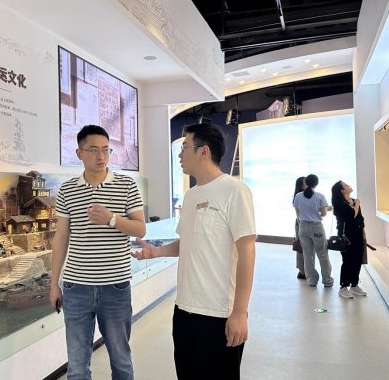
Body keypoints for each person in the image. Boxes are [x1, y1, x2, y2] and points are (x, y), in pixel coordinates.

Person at [131, 123, 256, 380]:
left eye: (185, 147)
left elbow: (247, 251)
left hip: (219, 314)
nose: (180, 154)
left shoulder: (234, 191)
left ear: (204, 151)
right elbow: (188, 242)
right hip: (184, 310)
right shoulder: (190, 196)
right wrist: (156, 252)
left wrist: (240, 313)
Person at [49, 125, 146, 380]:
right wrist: (54, 284)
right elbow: (61, 238)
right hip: (76, 287)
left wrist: (111, 219)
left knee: (121, 361)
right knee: (77, 366)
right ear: (79, 153)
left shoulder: (126, 185)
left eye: (106, 150)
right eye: (93, 150)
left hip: (115, 286)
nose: (101, 156)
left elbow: (140, 228)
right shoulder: (68, 190)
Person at [293, 174, 333, 287]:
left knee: (307, 255)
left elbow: (298, 213)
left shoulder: (298, 196)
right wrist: (324, 209)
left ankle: (311, 280)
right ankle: (327, 280)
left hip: (303, 227)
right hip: (316, 227)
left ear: (306, 182)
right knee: (322, 254)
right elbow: (323, 214)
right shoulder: (320, 196)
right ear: (316, 184)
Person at [331, 181, 367, 299]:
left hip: (358, 234)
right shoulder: (339, 204)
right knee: (348, 261)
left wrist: (363, 234)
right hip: (346, 237)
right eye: (345, 185)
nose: (348, 185)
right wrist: (357, 204)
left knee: (358, 260)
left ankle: (354, 285)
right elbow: (352, 215)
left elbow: (360, 218)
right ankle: (343, 287)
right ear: (342, 191)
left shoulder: (353, 200)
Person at [293, 176, 307, 279]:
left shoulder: (300, 197)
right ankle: (302, 271)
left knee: (303, 247)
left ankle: (303, 271)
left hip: (301, 223)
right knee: (301, 247)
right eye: (306, 182)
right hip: (301, 223)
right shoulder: (299, 197)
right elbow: (299, 215)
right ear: (301, 186)